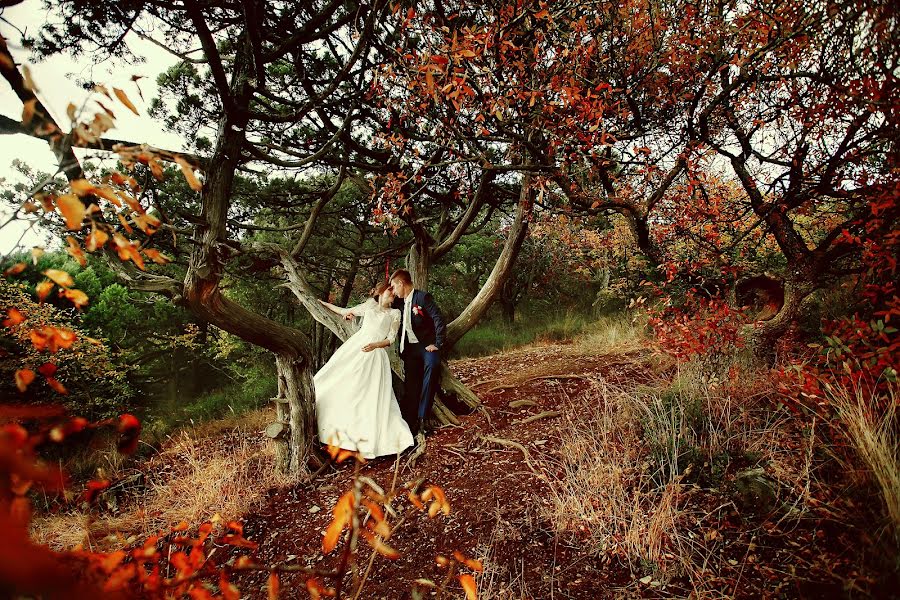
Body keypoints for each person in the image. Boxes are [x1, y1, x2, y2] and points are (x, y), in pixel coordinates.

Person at [314, 282, 413, 459]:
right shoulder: (369, 306)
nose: (393, 295)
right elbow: (344, 311)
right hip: (356, 348)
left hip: (375, 354)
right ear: (382, 292)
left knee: (369, 395)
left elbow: (390, 339)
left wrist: (376, 345)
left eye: (394, 293)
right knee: (342, 383)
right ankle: (333, 431)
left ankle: (367, 439)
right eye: (390, 291)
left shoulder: (395, 313)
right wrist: (322, 303)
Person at [389, 269, 446, 438]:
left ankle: (423, 419)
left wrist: (438, 343)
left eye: (394, 286)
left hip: (426, 346)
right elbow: (379, 304)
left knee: (432, 367)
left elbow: (438, 318)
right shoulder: (398, 303)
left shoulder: (422, 298)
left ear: (401, 283)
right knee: (411, 385)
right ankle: (409, 422)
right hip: (410, 351)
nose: (393, 291)